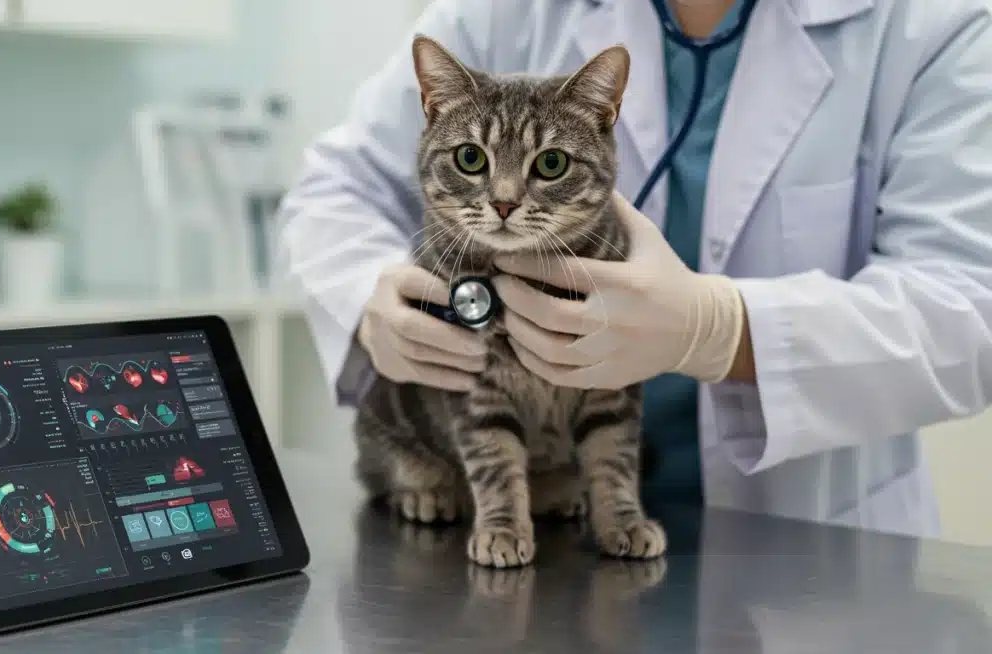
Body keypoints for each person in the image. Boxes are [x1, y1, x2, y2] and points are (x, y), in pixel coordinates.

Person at [274, 0, 992, 538]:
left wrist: (718, 331)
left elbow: (969, 306)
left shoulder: (934, 22)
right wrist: (369, 290)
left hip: (813, 544)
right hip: (549, 534)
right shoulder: (506, 8)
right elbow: (336, 189)